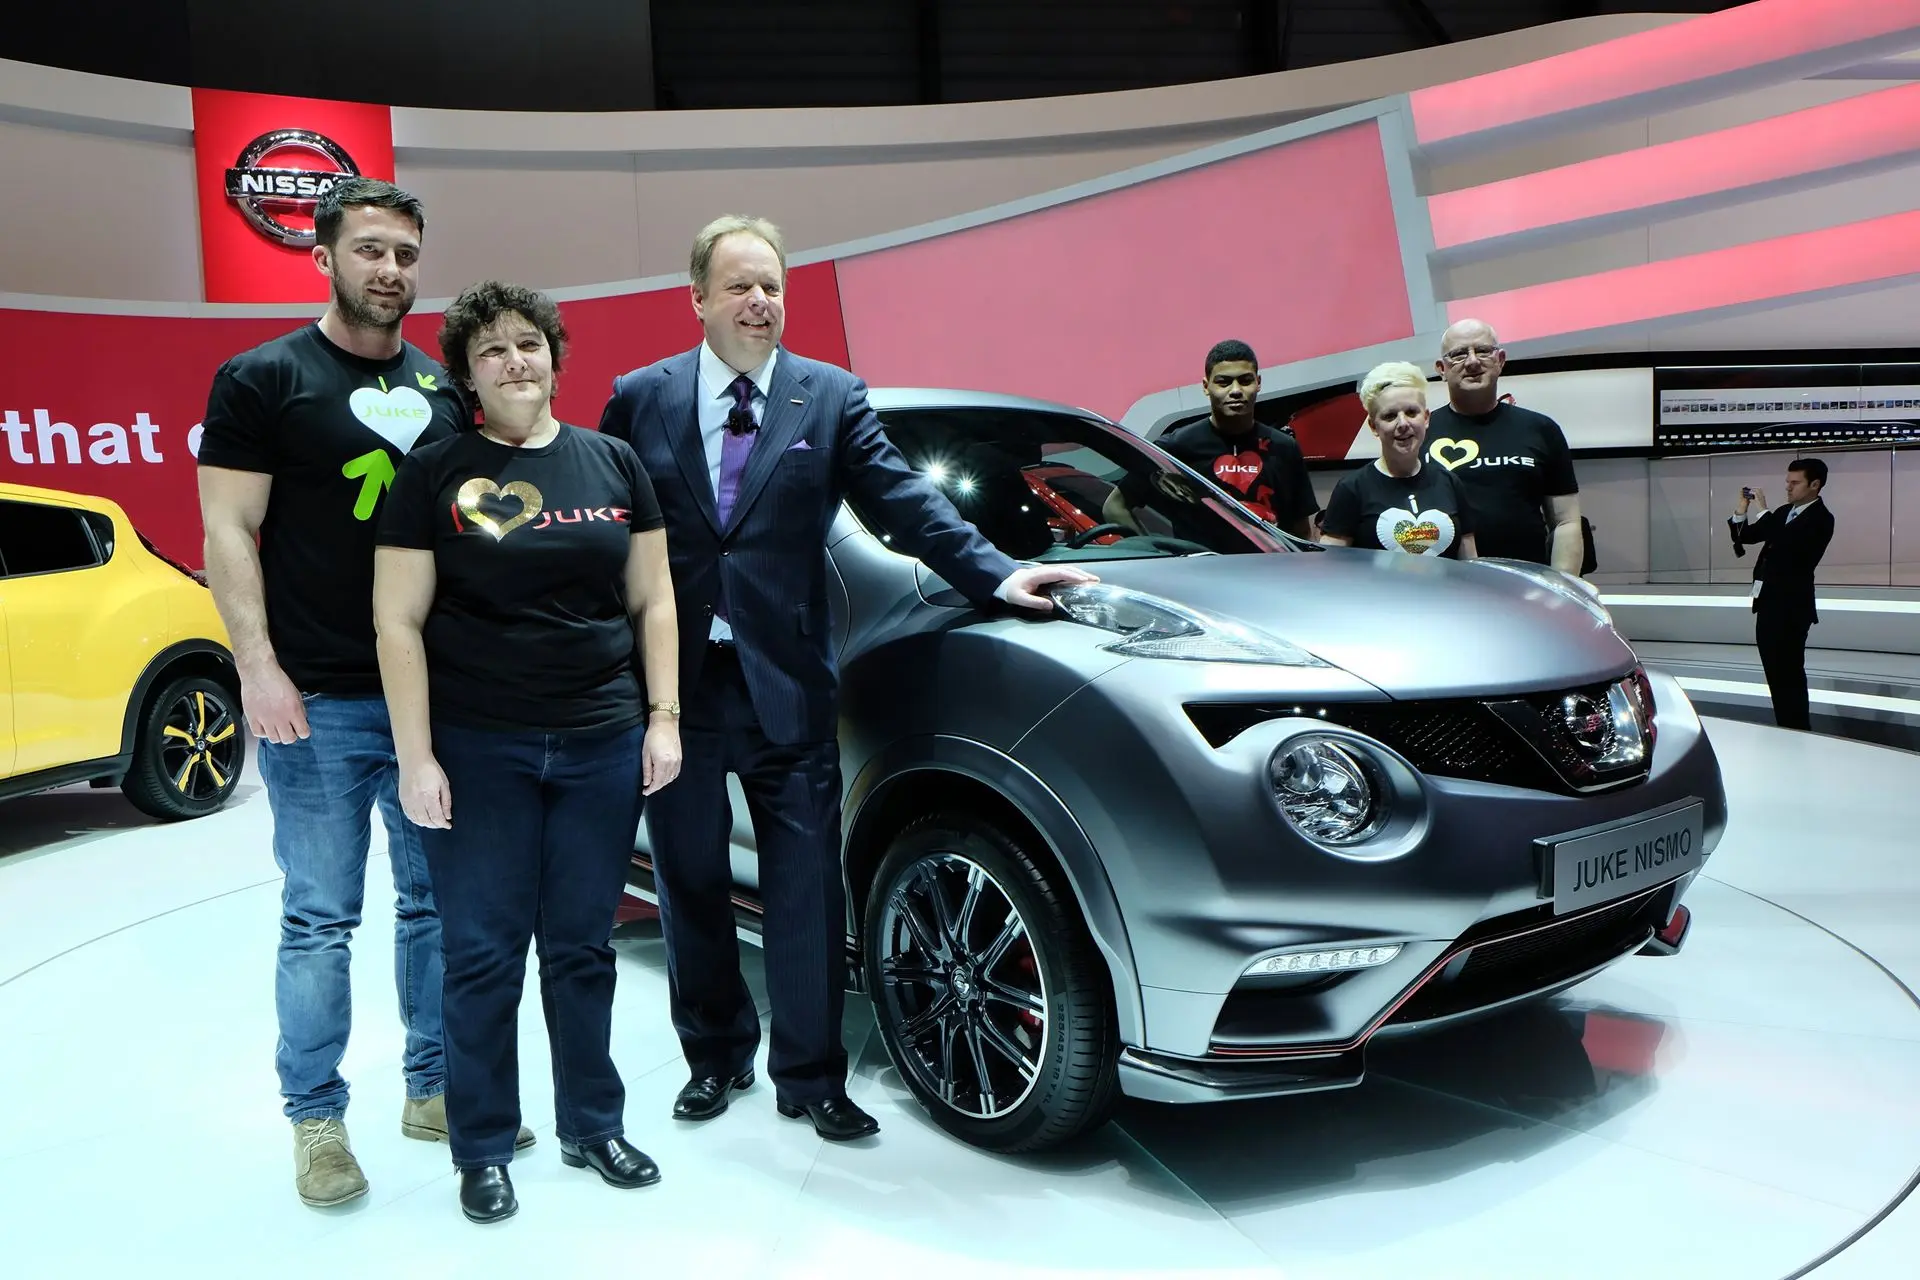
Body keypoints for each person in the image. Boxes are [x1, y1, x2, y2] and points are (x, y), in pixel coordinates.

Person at [595, 214, 1093, 1142]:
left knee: (807, 889)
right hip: (675, 687)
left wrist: (995, 574)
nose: (760, 302)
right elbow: (608, 525)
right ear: (697, 298)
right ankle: (715, 1057)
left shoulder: (827, 397)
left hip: (788, 682)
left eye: (772, 286)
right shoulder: (640, 397)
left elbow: (905, 500)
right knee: (689, 879)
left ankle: (813, 1077)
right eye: (739, 286)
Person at [196, 178, 529, 1210]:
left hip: (429, 700)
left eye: (405, 254)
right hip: (318, 702)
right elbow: (227, 530)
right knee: (319, 916)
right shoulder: (263, 378)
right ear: (325, 258)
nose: (390, 270)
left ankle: (431, 1089)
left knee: (434, 904)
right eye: (371, 250)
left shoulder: (441, 389)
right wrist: (257, 665)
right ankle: (316, 1117)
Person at [372, 280, 680, 1223]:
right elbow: (397, 621)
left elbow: (653, 599)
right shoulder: (432, 474)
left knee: (583, 948)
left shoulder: (614, 463)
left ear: (554, 355)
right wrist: (417, 758)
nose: (515, 362)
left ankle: (592, 1125)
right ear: (466, 374)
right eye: (492, 350)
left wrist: (662, 717)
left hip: (601, 741)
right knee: (481, 955)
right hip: (479, 747)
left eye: (529, 344)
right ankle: (482, 1145)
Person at [1103, 339, 1318, 537]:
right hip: (1201, 566)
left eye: (1245, 381)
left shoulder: (1284, 447)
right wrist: (1157, 553)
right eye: (1224, 382)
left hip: (1268, 565)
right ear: (1206, 387)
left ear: (1258, 383)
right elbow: (1115, 507)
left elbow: (1300, 530)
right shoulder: (1176, 446)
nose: (1236, 390)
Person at [1424, 319, 1581, 571]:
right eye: (1459, 354)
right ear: (1442, 369)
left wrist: (1562, 587)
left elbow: (1566, 523)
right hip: (1443, 584)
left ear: (1500, 360)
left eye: (1483, 351)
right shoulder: (1421, 432)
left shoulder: (1541, 429)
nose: (1472, 362)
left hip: (1525, 582)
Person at [1320, 361, 1478, 560]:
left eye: (1411, 412)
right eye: (1390, 416)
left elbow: (1470, 562)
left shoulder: (1449, 482)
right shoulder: (1352, 488)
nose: (1403, 423)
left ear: (1426, 418)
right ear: (1373, 426)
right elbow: (1330, 566)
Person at [1730, 458, 1834, 732]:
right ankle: (1785, 726)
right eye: (1787, 481)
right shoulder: (1784, 511)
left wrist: (1764, 510)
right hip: (1767, 604)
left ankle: (1798, 727)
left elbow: (1788, 544)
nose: (1788, 487)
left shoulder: (1821, 518)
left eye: (1795, 482)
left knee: (1789, 672)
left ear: (1815, 484)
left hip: (1792, 608)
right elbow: (1747, 536)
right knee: (1774, 672)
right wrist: (1742, 510)